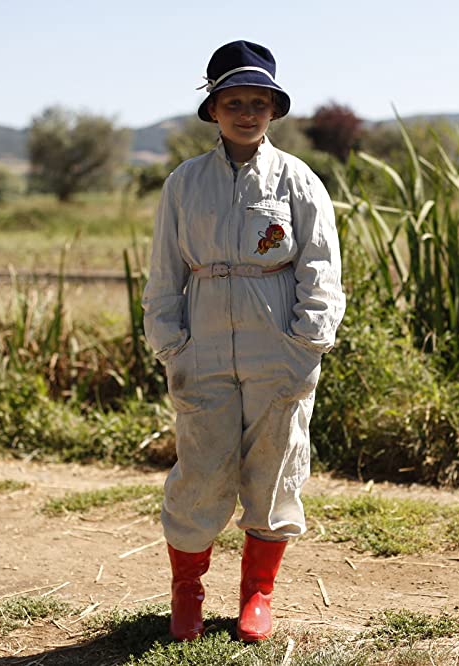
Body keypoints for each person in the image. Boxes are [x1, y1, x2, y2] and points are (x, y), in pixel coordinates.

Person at [142, 40, 345, 642]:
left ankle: (258, 593)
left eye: (259, 101)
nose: (247, 112)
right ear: (214, 109)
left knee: (274, 468)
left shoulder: (298, 181)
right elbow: (163, 274)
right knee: (201, 471)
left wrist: (306, 343)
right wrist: (171, 344)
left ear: (274, 109)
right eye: (234, 100)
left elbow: (321, 268)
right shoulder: (184, 184)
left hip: (277, 350)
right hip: (200, 349)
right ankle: (187, 592)